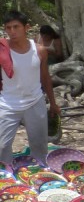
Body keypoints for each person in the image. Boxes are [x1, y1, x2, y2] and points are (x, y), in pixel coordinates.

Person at [0, 11, 60, 165]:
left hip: (35, 102)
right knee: (2, 146)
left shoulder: (39, 50)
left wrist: (53, 103)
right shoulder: (2, 49)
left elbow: (45, 77)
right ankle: (6, 174)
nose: (12, 31)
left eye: (16, 27)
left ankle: (40, 173)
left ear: (26, 27)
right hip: (7, 104)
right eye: (8, 28)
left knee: (39, 146)